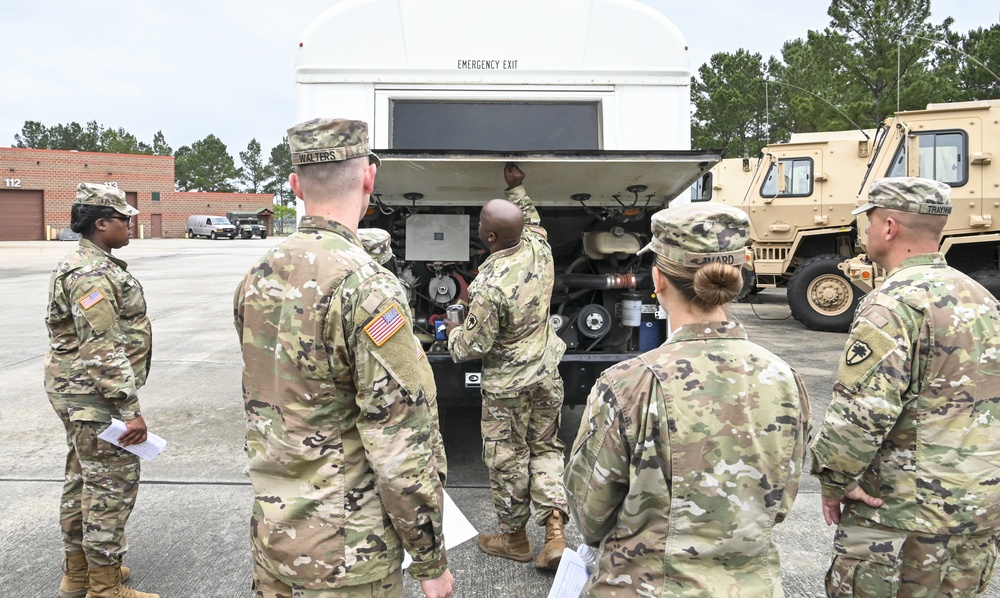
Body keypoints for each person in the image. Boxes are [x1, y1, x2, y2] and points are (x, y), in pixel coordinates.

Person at [234, 117, 453, 598]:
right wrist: (431, 559)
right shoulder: (368, 287)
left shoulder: (256, 276)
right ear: (369, 180)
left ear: (294, 185)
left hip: (274, 540)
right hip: (347, 557)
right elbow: (399, 445)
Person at [563, 202, 812, 596]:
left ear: (658, 279)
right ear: (738, 275)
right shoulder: (785, 379)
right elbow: (779, 503)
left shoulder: (628, 384)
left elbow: (589, 514)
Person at [811, 177, 1000, 597]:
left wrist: (836, 480)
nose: (865, 231)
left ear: (889, 227)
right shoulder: (982, 298)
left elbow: (862, 412)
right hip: (977, 508)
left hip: (904, 515)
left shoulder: (892, 303)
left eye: (869, 221)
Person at [444, 163, 569, 570]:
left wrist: (453, 326)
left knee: (507, 457)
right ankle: (555, 534)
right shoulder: (539, 246)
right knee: (546, 447)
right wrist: (517, 189)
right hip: (547, 375)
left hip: (507, 389)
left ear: (490, 237)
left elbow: (469, 349)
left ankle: (514, 539)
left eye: (481, 223)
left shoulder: (490, 284)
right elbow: (531, 217)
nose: (478, 226)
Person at [45, 183, 159, 598]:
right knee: (109, 488)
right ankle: (104, 588)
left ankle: (78, 575)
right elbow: (102, 346)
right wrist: (129, 409)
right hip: (94, 395)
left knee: (81, 478)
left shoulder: (83, 262)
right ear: (101, 223)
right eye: (124, 219)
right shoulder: (91, 272)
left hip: (76, 392)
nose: (131, 225)